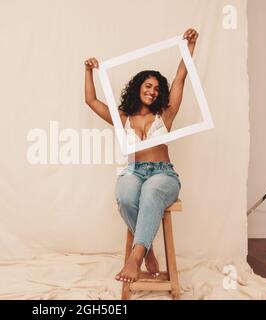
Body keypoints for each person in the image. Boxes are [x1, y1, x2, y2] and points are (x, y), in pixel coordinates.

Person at [84, 28, 199, 283]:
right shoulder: (122, 118)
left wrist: (189, 46)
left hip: (163, 174)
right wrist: (88, 70)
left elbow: (181, 78)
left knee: (150, 193)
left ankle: (135, 257)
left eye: (157, 88)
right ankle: (147, 249)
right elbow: (91, 100)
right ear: (138, 87)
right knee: (125, 196)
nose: (153, 91)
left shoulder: (165, 115)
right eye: (148, 86)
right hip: (133, 171)